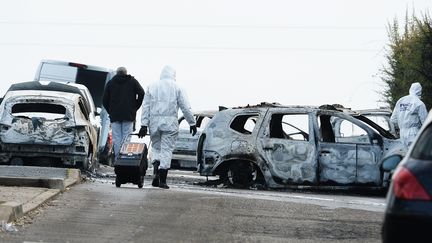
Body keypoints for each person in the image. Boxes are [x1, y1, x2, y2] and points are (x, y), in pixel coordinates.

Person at [138, 65, 196, 189]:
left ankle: (156, 173)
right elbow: (185, 107)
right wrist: (192, 122)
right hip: (170, 123)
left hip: (154, 122)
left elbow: (145, 106)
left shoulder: (152, 86)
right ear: (173, 75)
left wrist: (143, 124)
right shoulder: (177, 87)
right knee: (166, 150)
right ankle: (162, 180)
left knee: (156, 148)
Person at [102, 67, 145, 157]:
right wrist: (135, 107)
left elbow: (104, 100)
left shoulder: (111, 83)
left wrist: (110, 111)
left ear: (117, 73)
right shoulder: (132, 81)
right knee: (126, 137)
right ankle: (124, 158)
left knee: (116, 139)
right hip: (128, 115)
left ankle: (118, 158)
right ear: (126, 73)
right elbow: (141, 93)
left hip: (115, 115)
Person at [390, 82, 428, 146]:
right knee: (415, 155)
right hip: (414, 133)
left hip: (402, 134)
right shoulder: (419, 103)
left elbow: (393, 119)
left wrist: (401, 124)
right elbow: (425, 122)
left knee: (406, 154)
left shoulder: (401, 100)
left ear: (410, 89)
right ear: (420, 91)